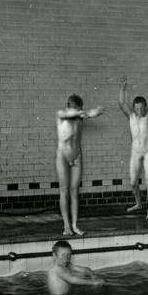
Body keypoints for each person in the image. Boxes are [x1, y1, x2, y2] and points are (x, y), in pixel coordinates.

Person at [55, 94, 105, 237]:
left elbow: (86, 114)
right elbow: (78, 113)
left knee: (74, 191)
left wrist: (92, 113)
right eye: (76, 109)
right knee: (64, 190)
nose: (78, 112)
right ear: (69, 107)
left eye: (80, 109)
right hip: (62, 157)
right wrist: (88, 112)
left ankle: (75, 225)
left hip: (77, 156)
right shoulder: (61, 114)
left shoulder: (81, 117)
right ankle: (66, 226)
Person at [118, 76, 148, 218]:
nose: (139, 110)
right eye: (137, 108)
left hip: (147, 151)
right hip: (135, 152)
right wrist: (123, 86)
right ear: (134, 108)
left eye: (141, 108)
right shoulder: (131, 117)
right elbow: (122, 102)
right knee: (133, 183)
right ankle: (138, 203)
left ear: (144, 107)